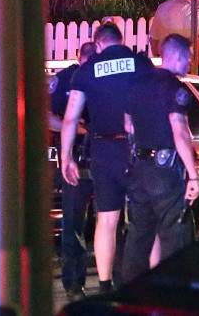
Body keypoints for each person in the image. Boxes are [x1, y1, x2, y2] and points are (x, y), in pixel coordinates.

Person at [60, 23, 153, 293]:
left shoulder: (86, 70)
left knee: (107, 219)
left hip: (103, 151)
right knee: (141, 217)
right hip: (136, 150)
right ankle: (140, 280)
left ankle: (104, 284)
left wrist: (67, 157)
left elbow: (70, 119)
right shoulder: (141, 64)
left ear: (97, 44)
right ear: (120, 40)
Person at [120, 34, 199, 283]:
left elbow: (128, 126)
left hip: (139, 169)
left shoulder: (135, 85)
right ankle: (172, 297)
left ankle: (129, 296)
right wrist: (193, 175)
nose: (189, 63)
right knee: (175, 237)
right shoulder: (175, 89)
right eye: (188, 57)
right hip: (165, 173)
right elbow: (180, 133)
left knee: (138, 237)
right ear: (177, 55)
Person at [48, 42, 97, 301]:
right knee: (73, 225)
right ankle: (73, 283)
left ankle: (109, 280)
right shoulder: (65, 80)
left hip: (101, 159)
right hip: (75, 160)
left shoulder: (104, 79)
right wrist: (79, 129)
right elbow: (47, 116)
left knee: (108, 223)